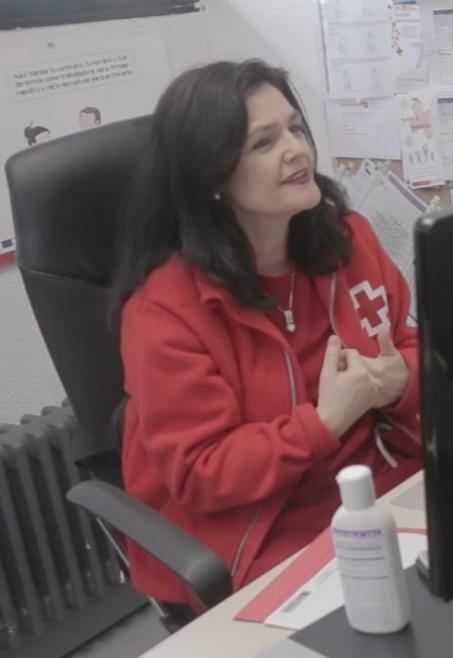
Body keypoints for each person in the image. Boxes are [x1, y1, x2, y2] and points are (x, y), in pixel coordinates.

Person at [113, 60, 421, 608]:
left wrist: (401, 381)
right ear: (211, 178)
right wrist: (324, 422)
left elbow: (411, 346)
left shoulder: (348, 240)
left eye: (296, 129)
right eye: (264, 142)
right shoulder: (164, 312)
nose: (296, 150)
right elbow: (202, 473)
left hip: (379, 485)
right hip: (264, 532)